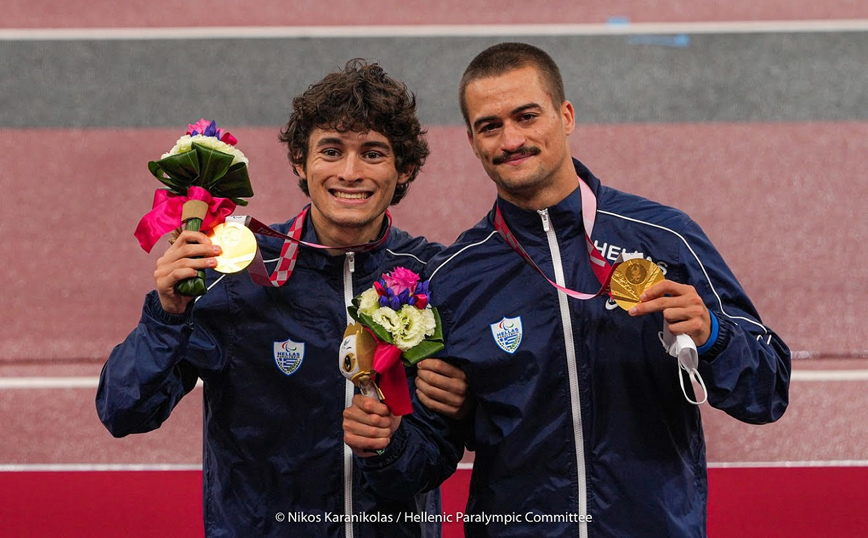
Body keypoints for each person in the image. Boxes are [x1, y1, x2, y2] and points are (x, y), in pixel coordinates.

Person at [343, 43, 792, 537]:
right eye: (490, 126)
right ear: (472, 141)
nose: (511, 139)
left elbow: (767, 392)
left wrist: (713, 338)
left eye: (527, 116)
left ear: (566, 116)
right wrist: (386, 444)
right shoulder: (455, 278)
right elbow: (426, 458)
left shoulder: (664, 238)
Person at [96, 59, 468, 538]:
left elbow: (438, 455)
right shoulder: (235, 272)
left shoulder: (434, 277)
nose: (350, 172)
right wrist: (167, 316)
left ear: (405, 168)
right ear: (300, 161)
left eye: (373, 153)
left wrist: (391, 446)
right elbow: (124, 411)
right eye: (331, 151)